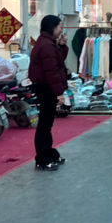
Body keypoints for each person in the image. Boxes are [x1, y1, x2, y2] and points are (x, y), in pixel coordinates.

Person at [28, 15, 70, 171]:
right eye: (60, 27)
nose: (62, 30)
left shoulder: (48, 43)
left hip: (46, 87)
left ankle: (48, 152)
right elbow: (51, 71)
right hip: (46, 88)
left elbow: (57, 63)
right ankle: (42, 157)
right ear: (52, 28)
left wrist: (62, 46)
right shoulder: (46, 45)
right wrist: (59, 93)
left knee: (47, 123)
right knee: (45, 124)